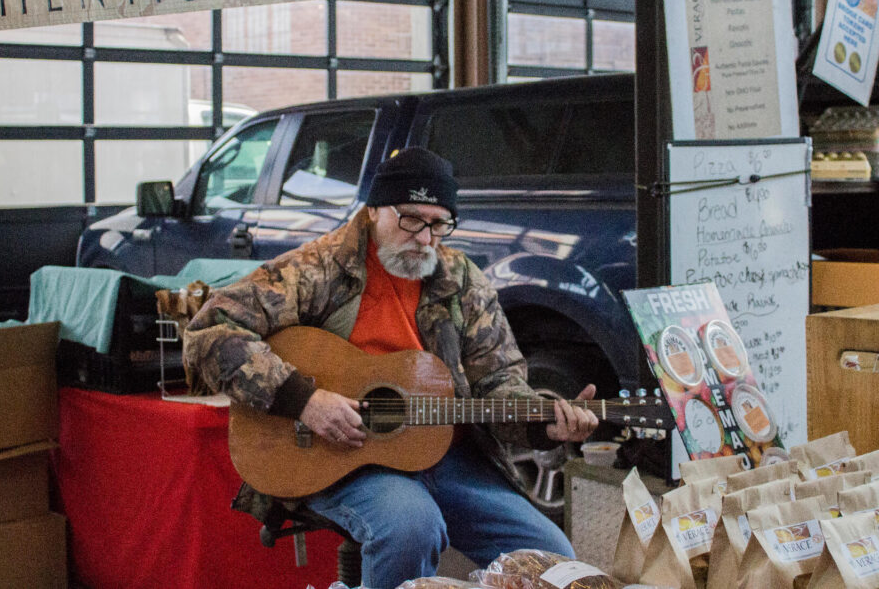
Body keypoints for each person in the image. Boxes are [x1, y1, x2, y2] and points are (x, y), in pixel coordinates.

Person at [183, 147, 599, 589]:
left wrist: (542, 426)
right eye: (411, 219)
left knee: (550, 556)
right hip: (341, 454)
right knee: (410, 527)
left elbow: (498, 380)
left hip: (447, 455)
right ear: (374, 209)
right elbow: (210, 329)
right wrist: (304, 400)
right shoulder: (316, 268)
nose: (425, 237)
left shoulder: (461, 280)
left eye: (439, 224)